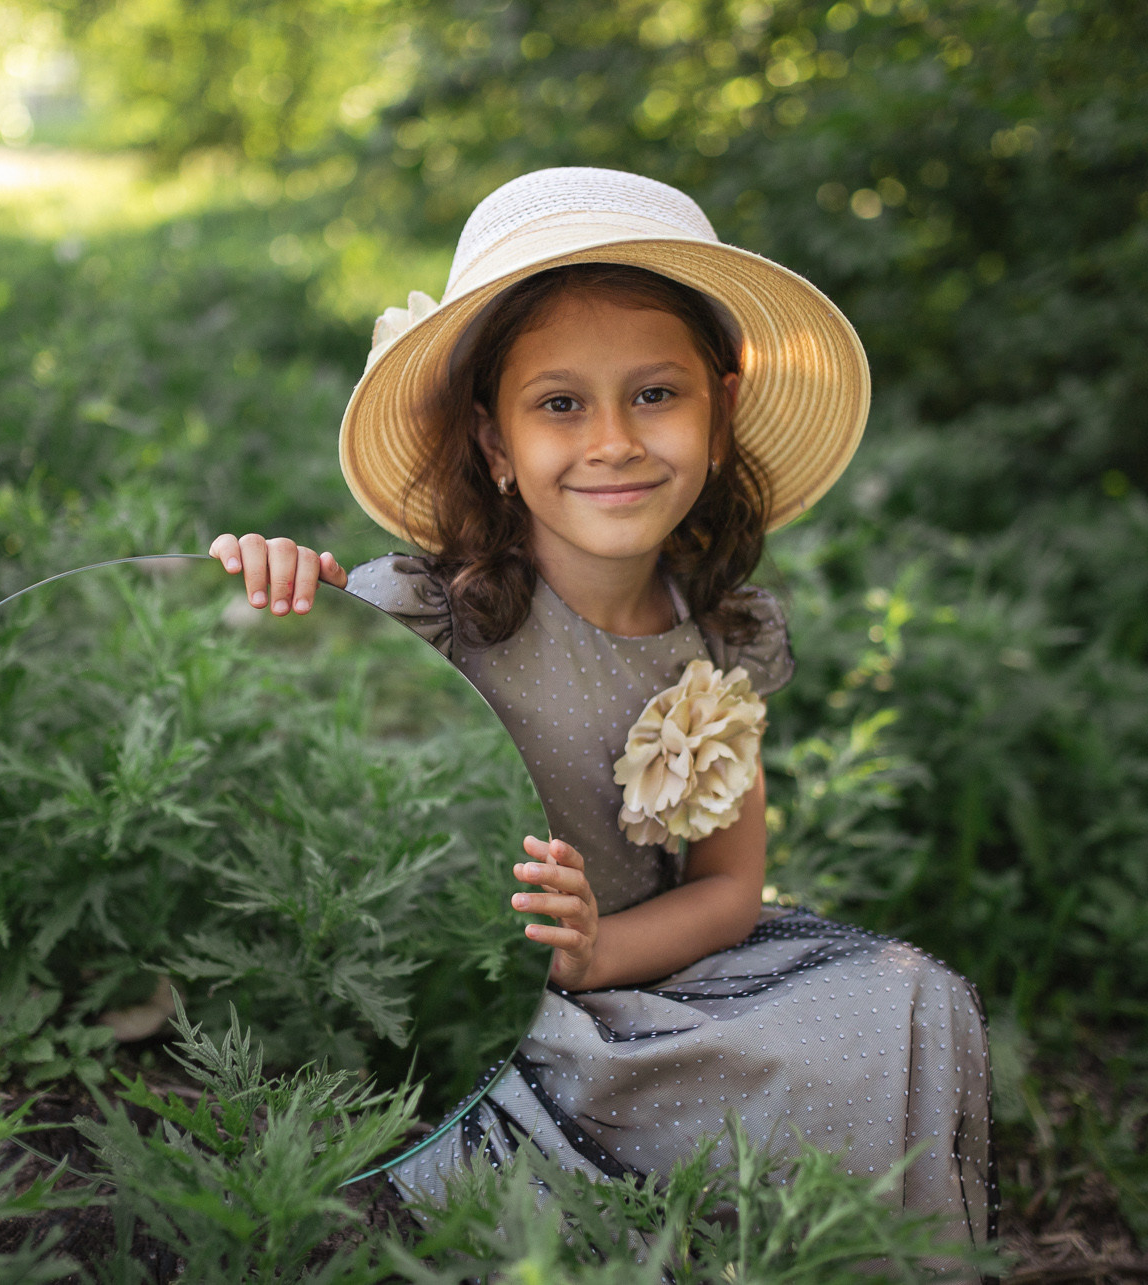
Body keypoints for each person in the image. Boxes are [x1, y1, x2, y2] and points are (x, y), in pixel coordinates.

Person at [208, 167, 995, 1241]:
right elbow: (277, 753)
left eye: (655, 394)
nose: (614, 440)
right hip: (461, 1009)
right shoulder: (424, 616)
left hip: (633, 982)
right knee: (507, 1139)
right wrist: (277, 601)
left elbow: (726, 889)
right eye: (560, 404)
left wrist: (593, 959)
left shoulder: (716, 639)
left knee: (910, 1000)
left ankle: (806, 1240)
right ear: (493, 444)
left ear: (718, 413)